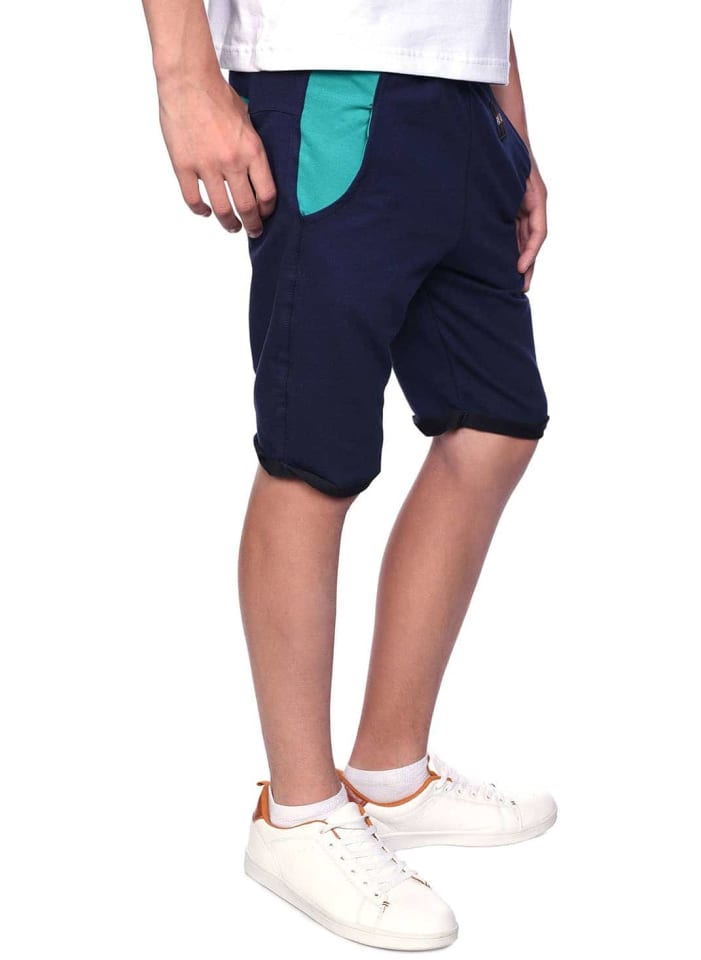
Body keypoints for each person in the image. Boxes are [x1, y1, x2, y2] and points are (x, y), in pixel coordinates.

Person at [141, 0, 556, 949]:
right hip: (329, 74)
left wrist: (508, 119)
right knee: (314, 451)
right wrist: (184, 75)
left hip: (462, 94)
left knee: (495, 421)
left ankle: (389, 775)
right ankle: (297, 813)